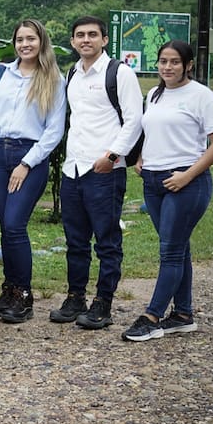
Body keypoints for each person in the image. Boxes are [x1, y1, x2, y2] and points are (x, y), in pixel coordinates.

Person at [123, 41, 213, 342]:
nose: (167, 67)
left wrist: (187, 176)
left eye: (174, 62)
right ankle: (183, 315)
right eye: (162, 61)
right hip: (153, 182)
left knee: (170, 251)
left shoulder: (201, 96)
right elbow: (151, 131)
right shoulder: (154, 94)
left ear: (188, 65)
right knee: (178, 248)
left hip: (186, 183)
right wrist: (142, 157)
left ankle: (151, 317)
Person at [52, 16, 143, 330]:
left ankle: (103, 302)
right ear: (74, 41)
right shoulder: (73, 73)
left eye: (92, 34)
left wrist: (112, 156)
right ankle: (75, 297)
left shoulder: (119, 73)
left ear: (105, 39)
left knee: (106, 241)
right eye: (80, 35)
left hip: (105, 169)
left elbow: (134, 120)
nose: (86, 40)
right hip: (73, 169)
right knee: (75, 241)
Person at [0, 19, 66, 324]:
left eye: (31, 39)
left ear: (41, 41)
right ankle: (9, 291)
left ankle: (24, 296)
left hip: (28, 155)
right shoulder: (2, 73)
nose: (25, 45)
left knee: (15, 225)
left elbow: (54, 130)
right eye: (20, 39)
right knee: (5, 227)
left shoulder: (54, 79)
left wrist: (27, 163)